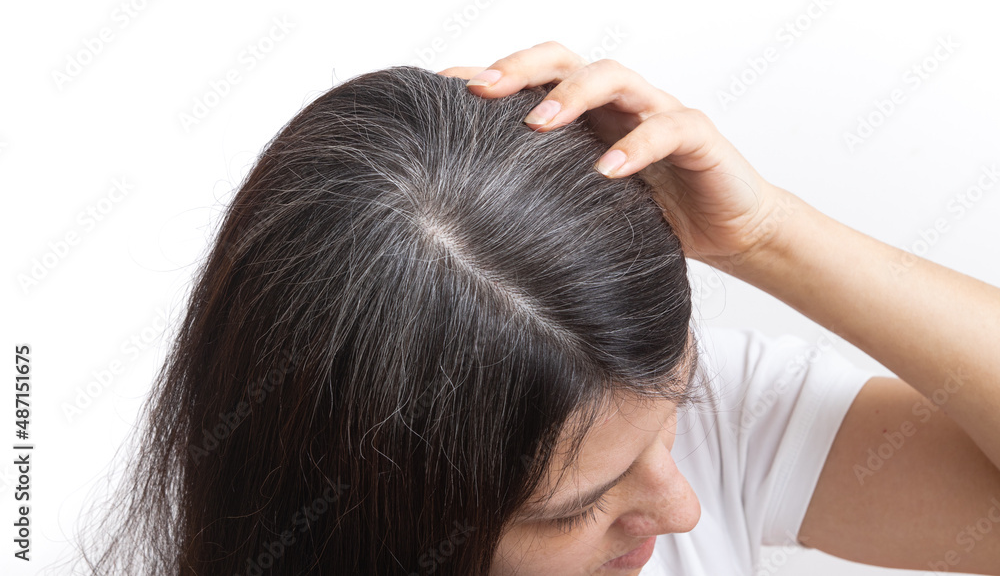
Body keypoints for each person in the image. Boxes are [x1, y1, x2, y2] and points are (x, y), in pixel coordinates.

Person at [70, 41, 999, 576]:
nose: (678, 508)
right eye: (574, 509)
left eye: (673, 417)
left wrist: (769, 236)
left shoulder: (672, 413)